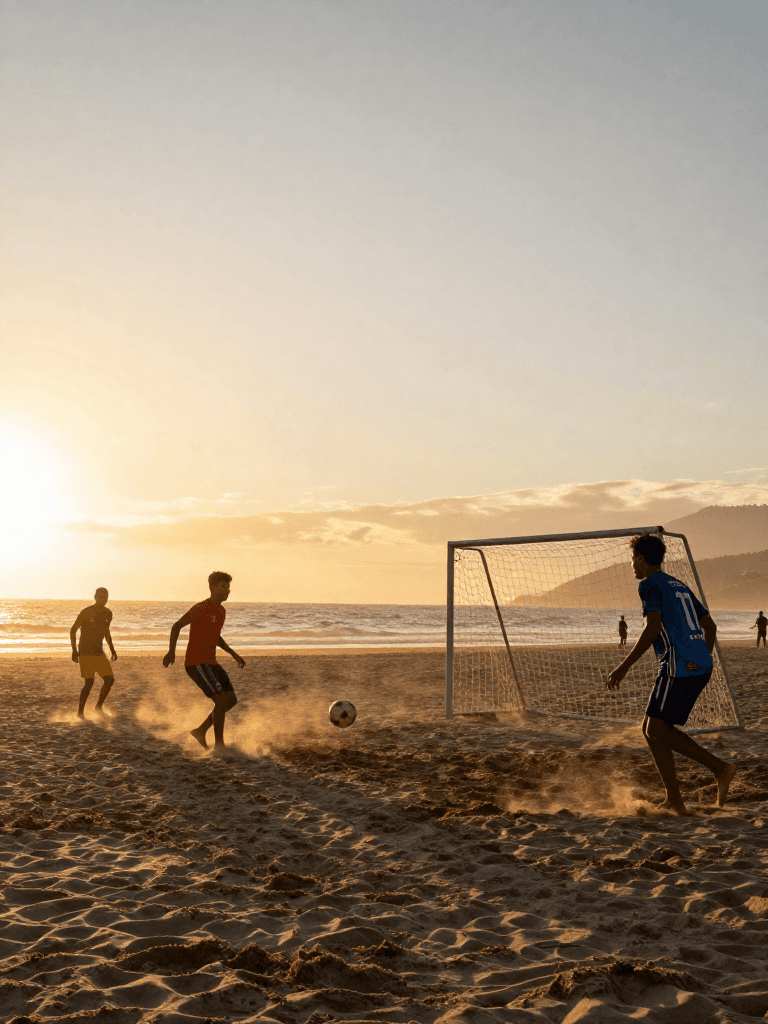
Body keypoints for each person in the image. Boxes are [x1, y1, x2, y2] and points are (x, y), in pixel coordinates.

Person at [607, 533, 736, 815]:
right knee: (651, 731)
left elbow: (652, 627)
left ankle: (720, 768)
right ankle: (675, 800)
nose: (632, 565)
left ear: (641, 559)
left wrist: (623, 667)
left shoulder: (649, 585)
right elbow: (710, 627)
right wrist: (702, 658)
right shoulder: (680, 585)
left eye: (632, 560)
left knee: (656, 730)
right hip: (696, 664)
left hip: (679, 665)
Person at [163, 571, 245, 751]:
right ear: (213, 588)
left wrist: (234, 654)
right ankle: (219, 745)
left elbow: (216, 638)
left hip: (211, 661)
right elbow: (176, 626)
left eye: (228, 587)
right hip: (196, 662)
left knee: (230, 700)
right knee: (221, 702)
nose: (228, 591)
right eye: (223, 587)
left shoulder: (221, 611)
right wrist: (171, 652)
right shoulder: (201, 608)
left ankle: (200, 731)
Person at [70, 588, 117, 718]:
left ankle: (98, 707)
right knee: (89, 683)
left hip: (99, 652)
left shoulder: (108, 613)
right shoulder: (86, 612)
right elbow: (73, 630)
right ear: (95, 597)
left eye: (106, 596)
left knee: (109, 680)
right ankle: (80, 713)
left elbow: (106, 631)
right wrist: (74, 650)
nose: (104, 599)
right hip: (85, 652)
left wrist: (112, 649)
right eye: (101, 596)